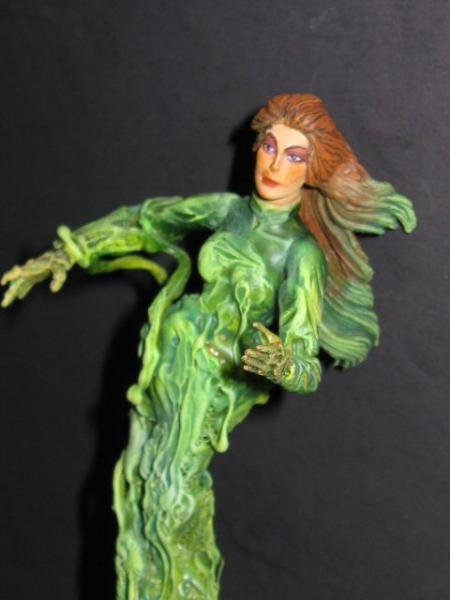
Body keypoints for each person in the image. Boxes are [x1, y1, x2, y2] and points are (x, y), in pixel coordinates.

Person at [1, 94, 416, 600]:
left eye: (294, 155)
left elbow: (306, 367)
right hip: (164, 374)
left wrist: (284, 364)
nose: (274, 165)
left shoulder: (300, 253)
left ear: (312, 170)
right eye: (269, 147)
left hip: (209, 396)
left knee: (174, 505)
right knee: (140, 501)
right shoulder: (229, 212)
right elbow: (148, 221)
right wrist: (68, 251)